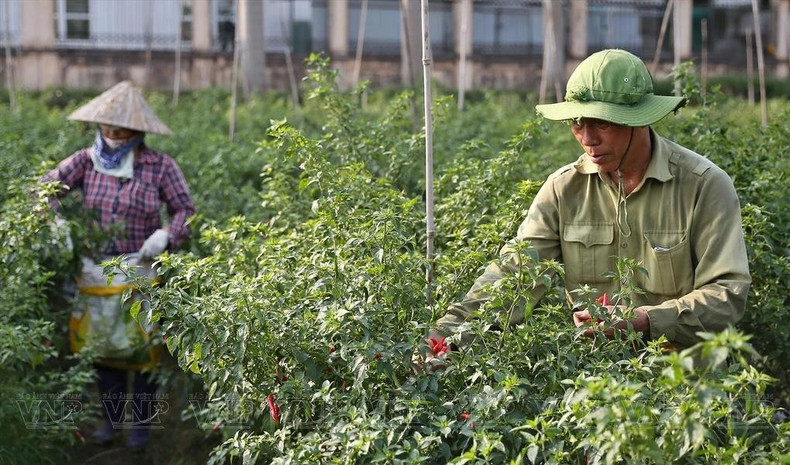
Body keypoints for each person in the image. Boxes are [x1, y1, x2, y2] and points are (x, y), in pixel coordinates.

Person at [431, 49, 750, 354]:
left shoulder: (703, 185)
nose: (587, 138)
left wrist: (643, 322)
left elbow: (727, 294)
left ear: (638, 120)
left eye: (602, 123)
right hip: (596, 375)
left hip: (687, 375)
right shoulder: (563, 190)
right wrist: (445, 336)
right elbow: (514, 275)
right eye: (577, 123)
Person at [43, 81, 196, 449]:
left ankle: (140, 427)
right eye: (108, 127)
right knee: (103, 348)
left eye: (121, 129)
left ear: (137, 131)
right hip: (95, 269)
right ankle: (110, 422)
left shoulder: (159, 166)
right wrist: (56, 222)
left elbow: (185, 211)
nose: (112, 135)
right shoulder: (84, 161)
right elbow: (43, 190)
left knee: (139, 349)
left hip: (139, 269)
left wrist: (165, 236)